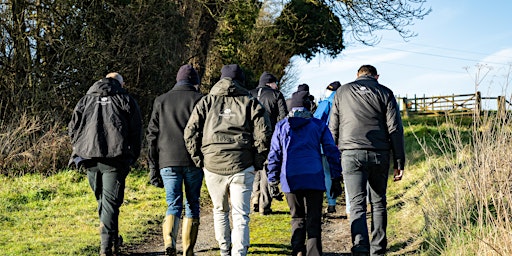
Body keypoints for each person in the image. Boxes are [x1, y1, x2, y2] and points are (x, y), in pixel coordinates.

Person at [184, 64, 272, 256]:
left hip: (213, 164)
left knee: (220, 210)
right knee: (241, 214)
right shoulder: (251, 102)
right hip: (242, 164)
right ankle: (239, 253)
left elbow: (190, 132)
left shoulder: (206, 102)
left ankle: (224, 249)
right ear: (241, 80)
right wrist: (257, 160)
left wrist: (199, 159)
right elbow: (264, 134)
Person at [328, 65, 405, 256]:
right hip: (379, 153)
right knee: (378, 203)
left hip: (351, 153)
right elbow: (395, 129)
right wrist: (399, 161)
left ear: (357, 75)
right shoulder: (385, 93)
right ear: (376, 76)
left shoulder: (342, 92)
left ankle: (360, 248)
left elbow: (332, 128)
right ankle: (378, 249)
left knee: (356, 203)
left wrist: (333, 158)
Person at [68, 72, 142, 256]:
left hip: (89, 157)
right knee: (109, 203)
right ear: (120, 83)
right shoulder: (125, 99)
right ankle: (106, 248)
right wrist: (133, 155)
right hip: (115, 158)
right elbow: (136, 130)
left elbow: (73, 128)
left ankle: (112, 240)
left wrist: (80, 147)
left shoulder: (85, 100)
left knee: (104, 201)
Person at [267, 90, 342, 256]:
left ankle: (298, 251)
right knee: (314, 219)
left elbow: (274, 155)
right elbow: (331, 151)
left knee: (297, 217)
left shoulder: (281, 126)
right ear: (309, 107)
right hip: (314, 176)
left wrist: (272, 180)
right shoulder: (318, 125)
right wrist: (336, 177)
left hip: (290, 177)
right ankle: (314, 252)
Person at [146, 64, 204, 256]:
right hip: (194, 160)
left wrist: (153, 165)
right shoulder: (201, 100)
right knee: (192, 202)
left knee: (173, 203)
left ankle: (169, 243)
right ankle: (188, 250)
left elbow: (152, 135)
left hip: (167, 160)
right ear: (195, 82)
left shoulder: (161, 101)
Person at [249, 71, 288, 215]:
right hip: (269, 136)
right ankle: (264, 205)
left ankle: (254, 197)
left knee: (254, 168)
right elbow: (283, 118)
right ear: (270, 83)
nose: (277, 86)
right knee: (267, 168)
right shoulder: (276, 95)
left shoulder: (248, 94)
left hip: (250, 137)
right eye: (276, 84)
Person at [313, 81, 344, 215]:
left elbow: (316, 121)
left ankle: (331, 202)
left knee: (327, 173)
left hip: (326, 143)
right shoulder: (346, 101)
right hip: (346, 142)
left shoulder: (326, 103)